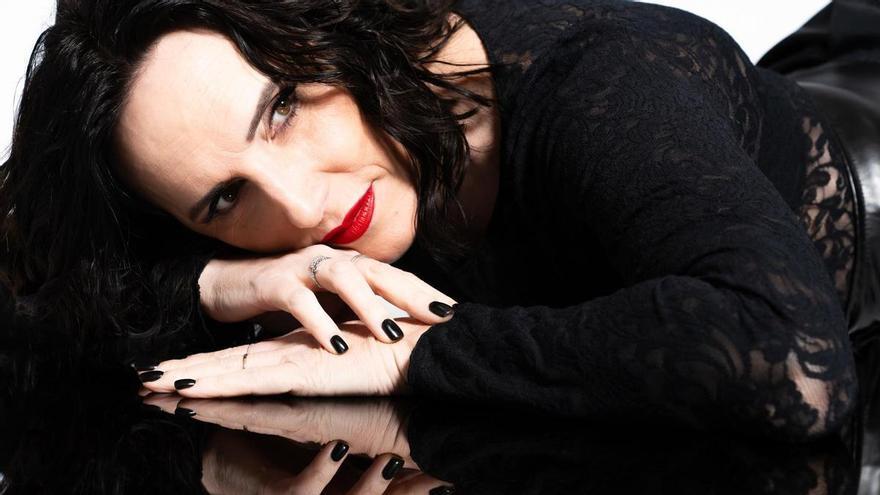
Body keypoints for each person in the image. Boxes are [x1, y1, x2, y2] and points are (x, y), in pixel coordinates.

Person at [1, 0, 872, 441]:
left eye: (281, 109)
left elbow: (794, 367)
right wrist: (213, 281)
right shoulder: (234, 210)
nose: (298, 206)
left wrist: (414, 354)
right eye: (226, 198)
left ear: (326, 27)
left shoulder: (598, 85)